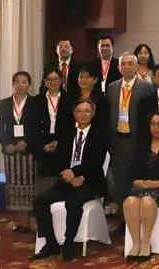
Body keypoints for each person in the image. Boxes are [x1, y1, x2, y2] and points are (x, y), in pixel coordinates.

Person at [31, 98, 108, 261]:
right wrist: (67, 174)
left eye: (87, 111)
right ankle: (51, 243)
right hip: (66, 180)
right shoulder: (67, 134)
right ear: (74, 114)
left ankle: (68, 243)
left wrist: (76, 173)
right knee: (40, 201)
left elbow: (96, 162)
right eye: (79, 111)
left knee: (73, 202)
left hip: (89, 181)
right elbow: (58, 160)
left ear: (93, 113)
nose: (83, 114)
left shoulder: (100, 134)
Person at [123, 111, 159, 262]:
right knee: (129, 202)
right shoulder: (141, 146)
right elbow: (130, 171)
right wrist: (137, 181)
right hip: (141, 186)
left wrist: (158, 183)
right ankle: (136, 243)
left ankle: (146, 243)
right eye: (152, 124)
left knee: (147, 202)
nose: (155, 127)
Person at [107, 52, 155, 229]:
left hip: (137, 140)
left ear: (136, 66)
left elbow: (150, 116)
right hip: (118, 139)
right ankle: (123, 218)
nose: (126, 67)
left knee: (136, 177)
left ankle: (139, 217)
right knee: (120, 179)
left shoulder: (146, 87)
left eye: (130, 63)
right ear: (119, 67)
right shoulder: (112, 87)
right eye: (123, 64)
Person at [0, 71, 37, 233]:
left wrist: (27, 141)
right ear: (13, 84)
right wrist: (7, 144)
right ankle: (18, 220)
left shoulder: (35, 103)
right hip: (11, 151)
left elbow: (37, 127)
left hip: (28, 151)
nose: (21, 84)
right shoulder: (5, 103)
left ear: (29, 84)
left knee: (27, 185)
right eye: (18, 82)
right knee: (14, 186)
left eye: (24, 81)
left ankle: (26, 222)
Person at [32, 68, 74, 200]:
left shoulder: (70, 99)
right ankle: (44, 206)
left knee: (61, 176)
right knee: (44, 178)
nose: (53, 82)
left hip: (63, 141)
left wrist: (58, 142)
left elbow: (71, 124)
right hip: (43, 142)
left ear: (61, 81)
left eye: (56, 79)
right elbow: (32, 125)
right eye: (49, 80)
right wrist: (42, 145)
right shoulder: (37, 100)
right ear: (45, 82)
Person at [72, 66, 110, 131]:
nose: (83, 80)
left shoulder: (102, 100)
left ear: (95, 80)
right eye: (81, 77)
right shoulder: (71, 98)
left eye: (87, 77)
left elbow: (104, 123)